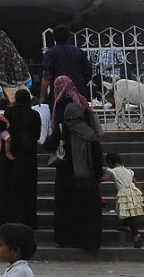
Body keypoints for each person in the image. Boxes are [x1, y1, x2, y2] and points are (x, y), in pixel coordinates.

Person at [41, 75, 102, 252]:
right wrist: (97, 174)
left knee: (66, 209)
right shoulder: (89, 132)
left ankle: (66, 238)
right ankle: (88, 240)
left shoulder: (62, 128)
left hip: (66, 177)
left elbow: (47, 146)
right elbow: (98, 156)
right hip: (87, 178)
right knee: (87, 211)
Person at [0, 88, 41, 229]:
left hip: (10, 159)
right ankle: (28, 219)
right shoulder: (34, 115)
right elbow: (37, 136)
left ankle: (6, 218)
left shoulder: (9, 113)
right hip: (28, 158)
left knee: (8, 188)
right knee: (27, 189)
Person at [39, 28, 92, 106]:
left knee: (59, 116)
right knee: (79, 115)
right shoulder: (79, 52)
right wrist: (80, 83)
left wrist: (42, 96)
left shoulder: (50, 53)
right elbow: (88, 72)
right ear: (68, 37)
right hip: (78, 92)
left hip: (59, 94)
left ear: (54, 38)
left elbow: (46, 76)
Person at [103, 151, 144, 248]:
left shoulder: (112, 171)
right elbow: (137, 184)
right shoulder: (129, 171)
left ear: (109, 162)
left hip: (124, 193)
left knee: (129, 215)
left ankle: (136, 235)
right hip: (134, 191)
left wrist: (95, 180)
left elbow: (104, 178)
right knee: (130, 212)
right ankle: (124, 226)